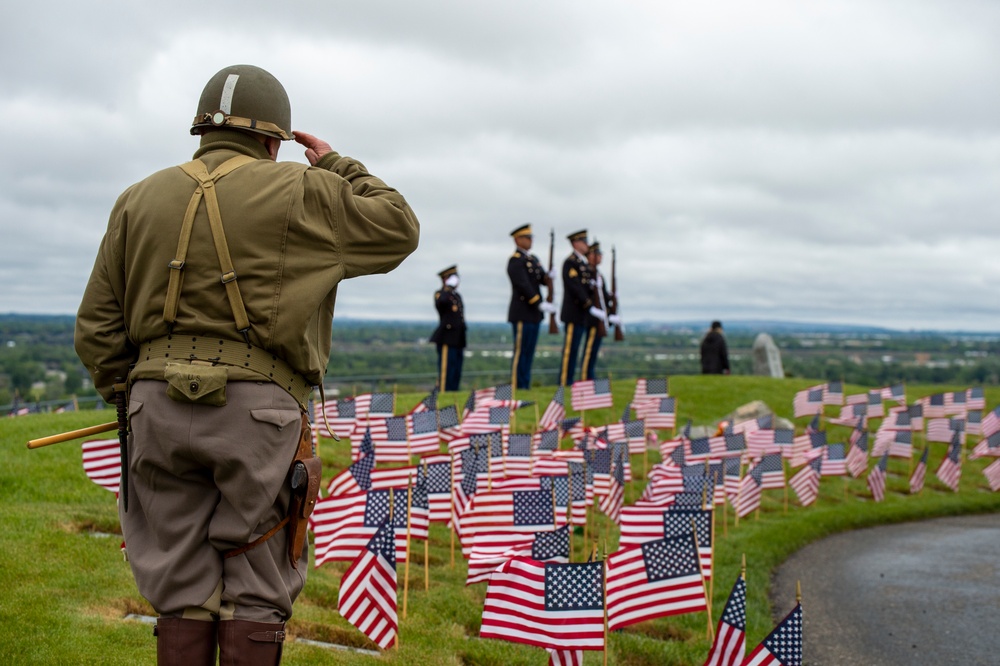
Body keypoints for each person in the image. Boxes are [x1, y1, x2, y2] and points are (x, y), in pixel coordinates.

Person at [74, 64, 419, 665]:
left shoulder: (136, 198)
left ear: (202, 131)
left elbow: (97, 328)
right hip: (260, 417)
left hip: (152, 407)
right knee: (257, 585)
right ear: (273, 139)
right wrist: (336, 164)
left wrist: (129, 397)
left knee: (179, 586)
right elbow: (397, 226)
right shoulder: (303, 189)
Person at [506, 224, 557, 389]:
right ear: (517, 239)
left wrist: (549, 276)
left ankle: (525, 384)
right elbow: (522, 284)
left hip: (534, 314)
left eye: (531, 238)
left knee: (529, 352)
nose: (530, 241)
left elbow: (541, 279)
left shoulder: (533, 259)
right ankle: (518, 384)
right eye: (527, 238)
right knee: (521, 352)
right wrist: (538, 302)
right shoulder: (515, 261)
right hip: (522, 312)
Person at [580, 241, 621, 380]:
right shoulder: (587, 272)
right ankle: (586, 378)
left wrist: (611, 302)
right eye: (596, 254)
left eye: (600, 254)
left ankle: (590, 376)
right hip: (592, 319)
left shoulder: (598, 275)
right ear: (590, 255)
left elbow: (603, 298)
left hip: (600, 319)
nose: (599, 257)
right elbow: (587, 296)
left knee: (593, 352)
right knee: (589, 352)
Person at [558, 230, 594, 386]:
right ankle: (565, 380)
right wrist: (588, 302)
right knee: (570, 351)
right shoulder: (571, 262)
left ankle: (570, 380)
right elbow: (575, 287)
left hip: (581, 314)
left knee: (575, 349)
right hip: (573, 312)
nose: (587, 244)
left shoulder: (583, 264)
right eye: (584, 241)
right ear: (575, 243)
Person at [430, 265, 466, 391]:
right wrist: (448, 288)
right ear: (446, 279)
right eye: (453, 278)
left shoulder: (457, 296)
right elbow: (441, 303)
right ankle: (444, 391)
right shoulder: (440, 294)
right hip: (447, 338)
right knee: (447, 369)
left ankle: (454, 391)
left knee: (456, 369)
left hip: (458, 339)